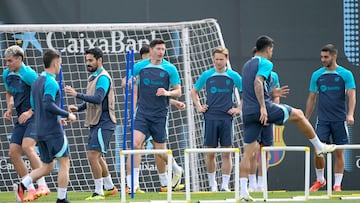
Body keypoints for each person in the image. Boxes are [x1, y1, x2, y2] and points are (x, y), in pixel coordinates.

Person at [239, 35, 336, 201]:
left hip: (247, 112)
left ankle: (242, 193)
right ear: (268, 48)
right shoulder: (266, 63)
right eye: (271, 50)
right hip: (263, 109)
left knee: (248, 153)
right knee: (298, 114)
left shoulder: (247, 64)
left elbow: (252, 88)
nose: (271, 53)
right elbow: (257, 82)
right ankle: (319, 146)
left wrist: (270, 94)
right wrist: (263, 106)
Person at [13, 49, 76, 203]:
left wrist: (54, 116)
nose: (60, 66)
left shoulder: (36, 82)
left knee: (47, 166)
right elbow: (48, 104)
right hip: (52, 131)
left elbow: (35, 106)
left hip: (39, 130)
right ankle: (61, 198)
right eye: (60, 63)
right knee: (64, 163)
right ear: (55, 63)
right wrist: (66, 115)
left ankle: (23, 184)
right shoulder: (51, 82)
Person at [123, 44, 186, 194]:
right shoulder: (140, 66)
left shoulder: (170, 68)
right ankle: (133, 185)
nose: (160, 52)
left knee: (160, 151)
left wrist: (167, 92)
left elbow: (178, 91)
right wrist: (128, 82)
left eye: (163, 49)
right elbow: (125, 81)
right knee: (135, 144)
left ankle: (176, 169)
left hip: (160, 115)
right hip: (143, 113)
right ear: (151, 51)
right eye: (158, 49)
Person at [64, 47, 118, 200]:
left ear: (99, 60)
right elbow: (92, 102)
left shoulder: (102, 78)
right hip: (96, 122)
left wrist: (77, 95)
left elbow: (98, 99)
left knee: (93, 156)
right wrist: (79, 107)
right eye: (86, 60)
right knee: (98, 156)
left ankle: (98, 192)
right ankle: (110, 187)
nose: (87, 63)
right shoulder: (94, 77)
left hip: (104, 122)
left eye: (90, 60)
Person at [305, 44, 356, 192]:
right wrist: (306, 118)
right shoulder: (317, 75)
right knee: (318, 151)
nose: (323, 59)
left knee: (339, 152)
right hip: (323, 121)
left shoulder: (345, 74)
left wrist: (350, 114)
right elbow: (311, 98)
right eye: (321, 57)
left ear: (334, 56)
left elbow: (352, 95)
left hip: (340, 120)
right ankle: (320, 180)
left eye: (326, 57)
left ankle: (337, 185)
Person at [191, 47, 242, 192]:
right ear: (213, 59)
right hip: (210, 118)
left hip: (227, 118)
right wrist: (199, 106)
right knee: (210, 153)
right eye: (216, 59)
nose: (218, 62)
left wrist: (238, 109)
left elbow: (246, 92)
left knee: (227, 153)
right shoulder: (207, 75)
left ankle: (224, 185)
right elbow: (194, 92)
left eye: (221, 59)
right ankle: (212, 185)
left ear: (226, 59)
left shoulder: (233, 76)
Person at [3, 45, 50, 202]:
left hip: (35, 116)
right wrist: (9, 107)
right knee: (13, 153)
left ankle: (42, 185)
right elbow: (9, 92)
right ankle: (29, 189)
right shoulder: (6, 74)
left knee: (27, 146)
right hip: (20, 119)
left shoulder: (29, 74)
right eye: (6, 61)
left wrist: (30, 111)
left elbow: (43, 95)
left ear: (19, 59)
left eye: (10, 61)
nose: (7, 64)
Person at [248, 47, 283, 192]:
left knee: (265, 150)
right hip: (254, 117)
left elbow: (276, 96)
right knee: (252, 150)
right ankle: (251, 183)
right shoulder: (249, 74)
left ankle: (262, 183)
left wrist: (272, 114)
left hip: (268, 117)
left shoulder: (273, 75)